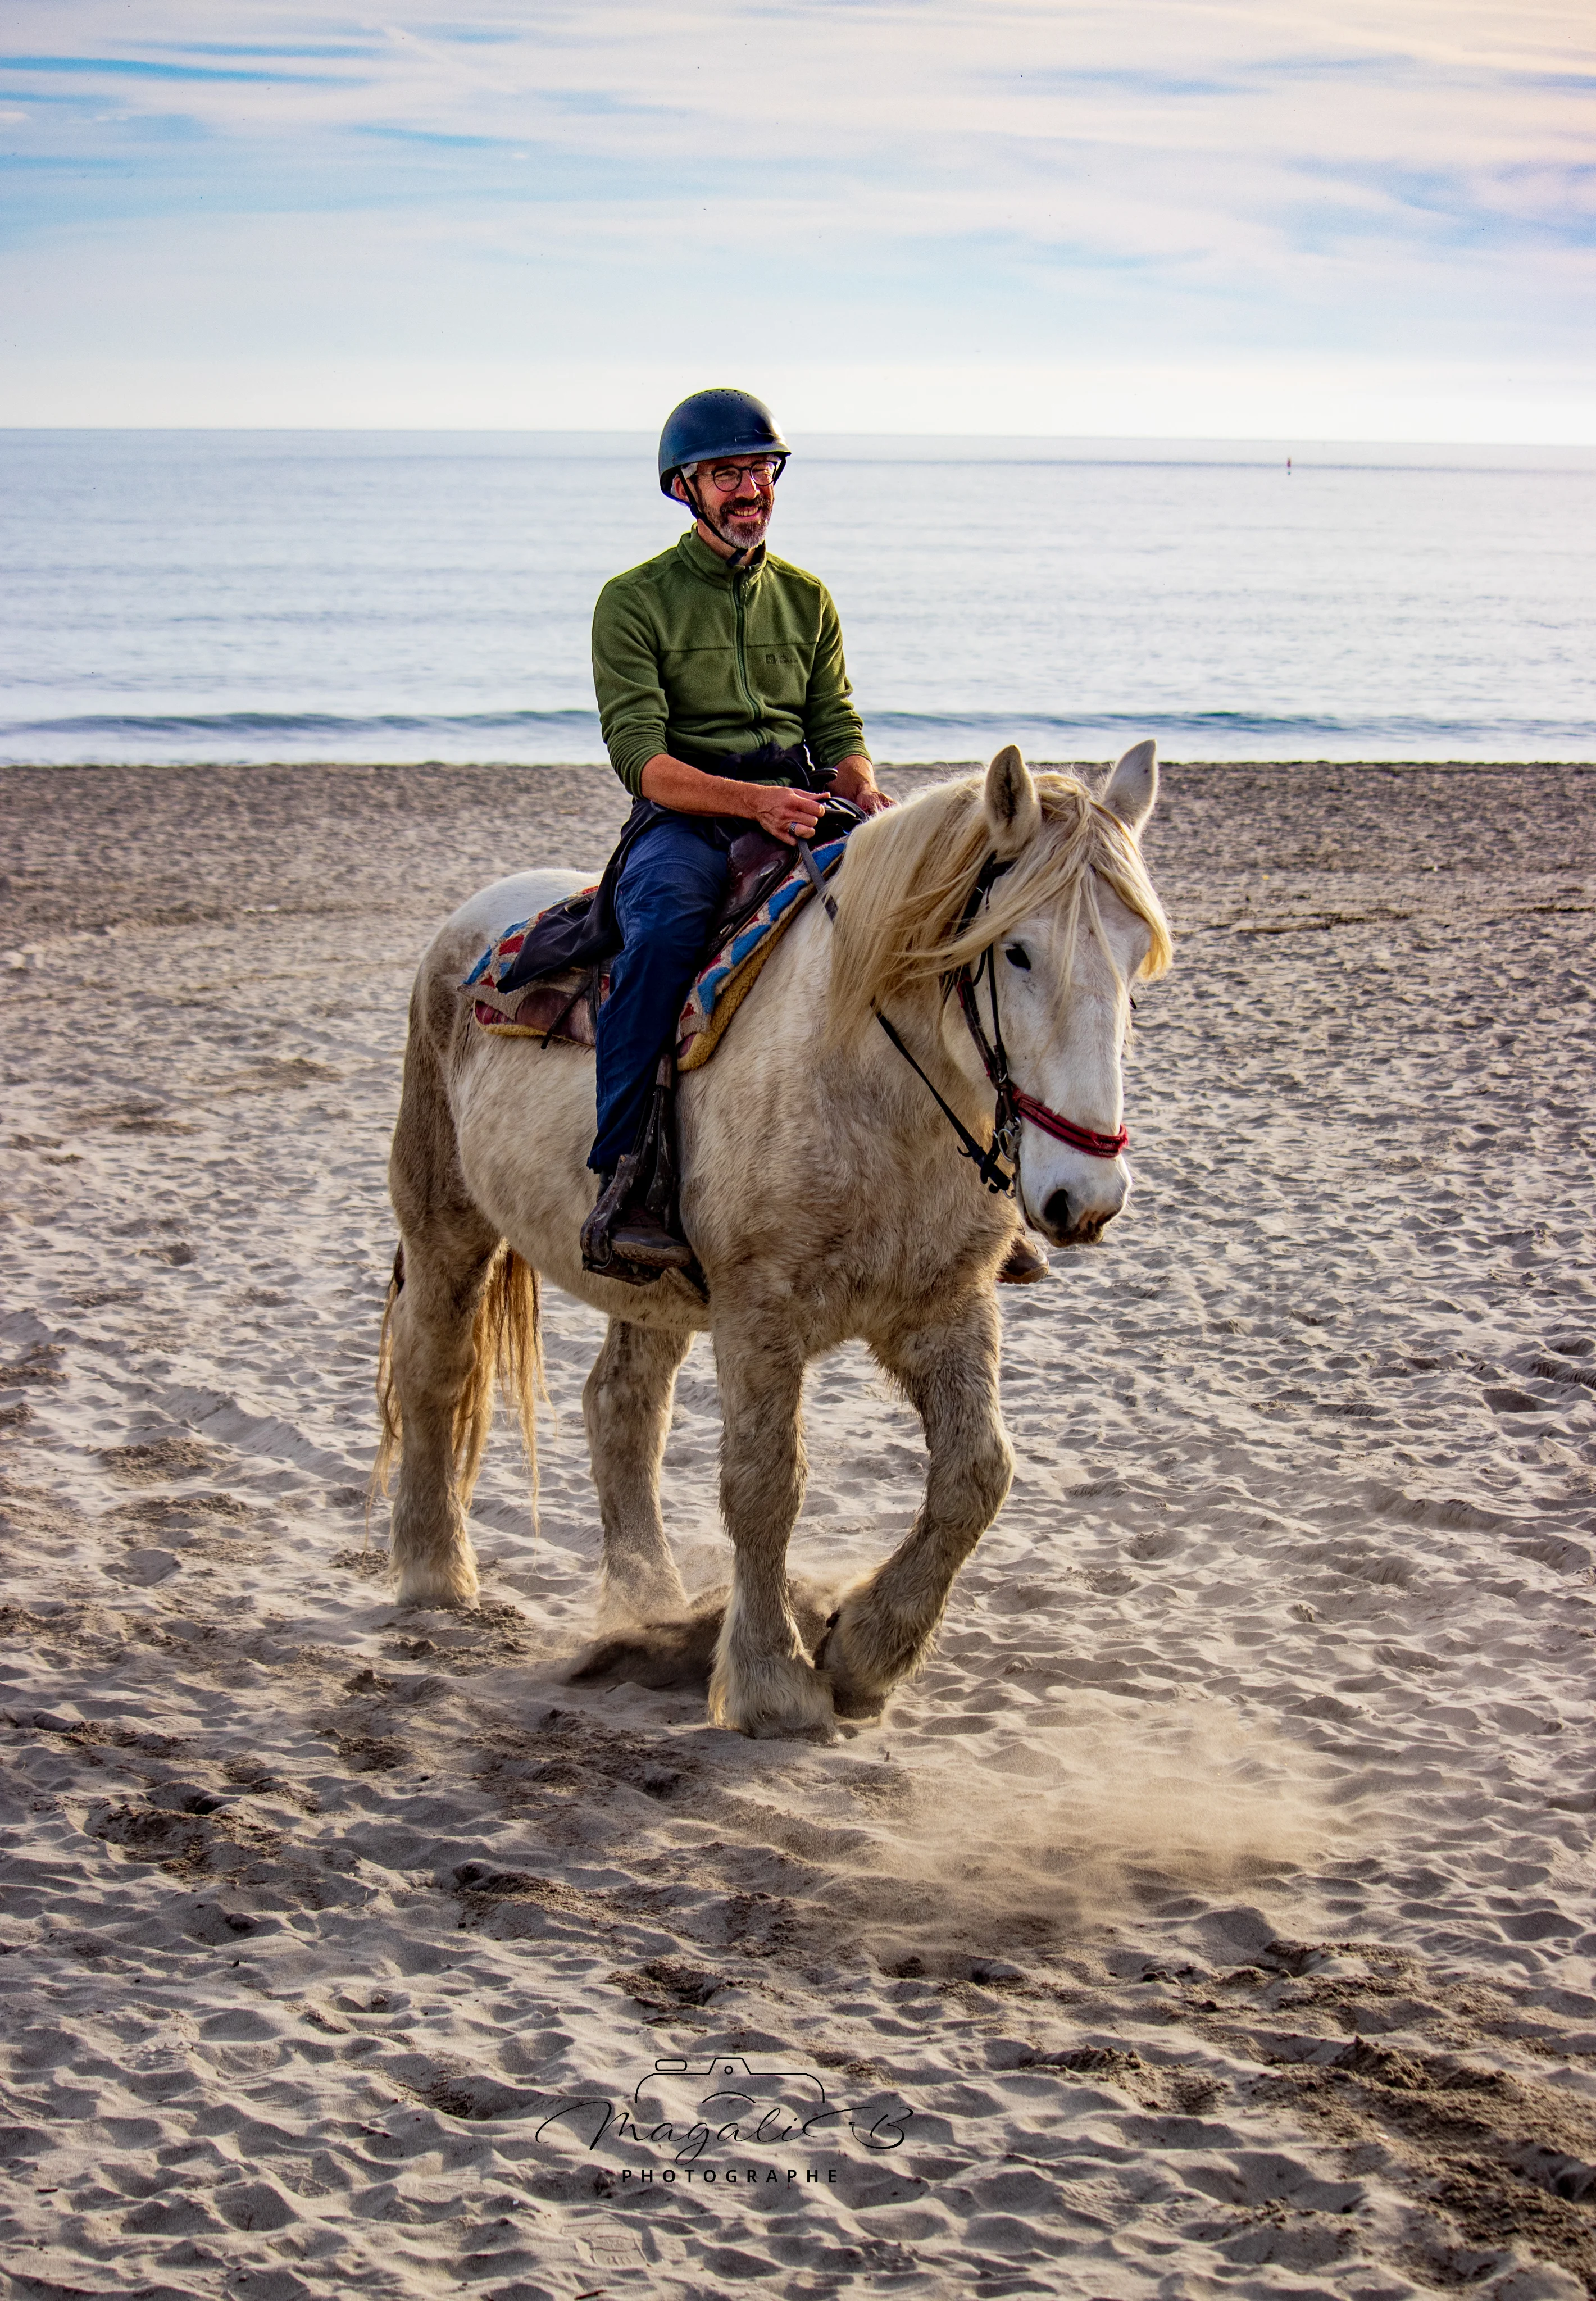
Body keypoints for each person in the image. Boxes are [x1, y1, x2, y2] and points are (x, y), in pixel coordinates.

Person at [586, 386, 1048, 1285]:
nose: (749, 488)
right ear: (684, 488)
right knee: (665, 932)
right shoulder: (632, 601)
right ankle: (626, 1179)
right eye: (727, 473)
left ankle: (980, 1187)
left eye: (761, 469)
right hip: (685, 821)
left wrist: (865, 791)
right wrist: (751, 803)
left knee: (940, 925)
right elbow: (640, 758)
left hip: (803, 806)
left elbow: (836, 730)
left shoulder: (807, 598)